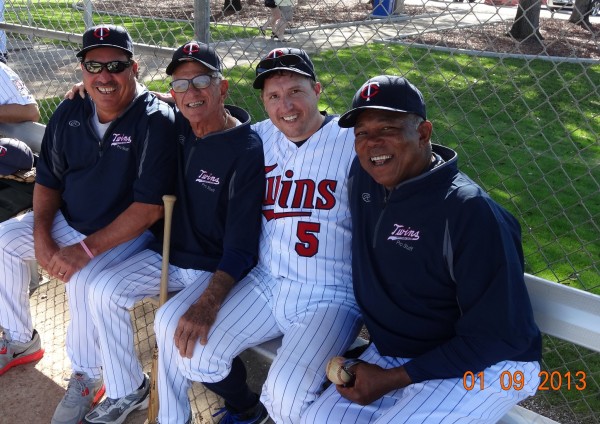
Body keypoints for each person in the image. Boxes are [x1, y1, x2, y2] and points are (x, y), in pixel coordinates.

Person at [301, 75, 542, 424]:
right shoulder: (365, 178)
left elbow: (495, 337)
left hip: (489, 363)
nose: (372, 144)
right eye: (362, 133)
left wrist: (392, 379)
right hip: (401, 351)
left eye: (387, 129)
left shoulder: (469, 212)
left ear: (424, 133)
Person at [153, 47, 362, 424]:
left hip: (328, 295)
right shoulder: (258, 138)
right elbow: (196, 107)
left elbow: (405, 150)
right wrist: (119, 90)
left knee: (285, 394)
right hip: (264, 284)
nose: (287, 106)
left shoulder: (352, 141)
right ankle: (247, 410)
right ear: (263, 101)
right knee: (187, 345)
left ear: (317, 90)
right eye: (274, 96)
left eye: (296, 91)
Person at [77, 41, 265, 424]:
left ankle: (171, 419)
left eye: (201, 82)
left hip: (211, 268)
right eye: (180, 85)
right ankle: (126, 388)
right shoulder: (175, 119)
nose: (190, 93)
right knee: (99, 287)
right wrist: (89, 88)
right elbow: (134, 95)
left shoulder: (246, 150)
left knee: (171, 330)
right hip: (167, 255)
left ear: (223, 87)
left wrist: (208, 303)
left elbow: (243, 246)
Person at [0, 24, 177, 424]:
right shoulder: (70, 109)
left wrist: (81, 251)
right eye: (93, 65)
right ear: (81, 69)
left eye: (115, 65)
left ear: (133, 68)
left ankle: (87, 374)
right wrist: (43, 239)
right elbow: (47, 182)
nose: (104, 76)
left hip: (126, 233)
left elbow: (149, 209)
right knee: (6, 240)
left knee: (83, 279)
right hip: (72, 221)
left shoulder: (155, 120)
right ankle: (19, 339)